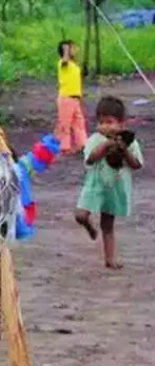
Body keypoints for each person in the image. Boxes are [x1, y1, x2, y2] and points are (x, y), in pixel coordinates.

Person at [74, 96, 142, 269]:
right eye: (101, 122)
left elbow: (136, 165)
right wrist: (105, 146)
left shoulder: (129, 142)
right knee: (80, 215)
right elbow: (90, 159)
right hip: (95, 185)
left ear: (121, 123)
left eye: (110, 122)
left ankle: (110, 258)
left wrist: (124, 150)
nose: (105, 126)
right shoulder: (95, 139)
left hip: (114, 187)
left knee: (108, 224)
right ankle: (89, 226)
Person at [56, 40, 87, 156]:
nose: (75, 50)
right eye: (72, 48)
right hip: (66, 98)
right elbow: (65, 60)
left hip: (75, 98)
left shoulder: (73, 65)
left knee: (79, 122)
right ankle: (64, 147)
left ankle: (82, 144)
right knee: (65, 123)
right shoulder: (63, 63)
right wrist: (66, 50)